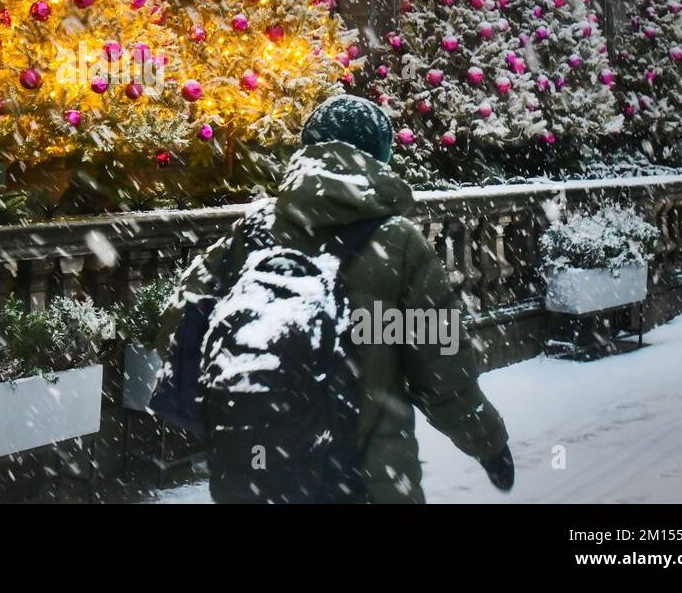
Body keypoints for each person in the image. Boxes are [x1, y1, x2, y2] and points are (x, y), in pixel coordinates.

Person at [155, 95, 514, 503]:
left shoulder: (253, 230)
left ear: (306, 149)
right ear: (379, 157)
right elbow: (441, 366)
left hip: (254, 476)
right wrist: (489, 443)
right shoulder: (397, 243)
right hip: (366, 479)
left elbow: (178, 323)